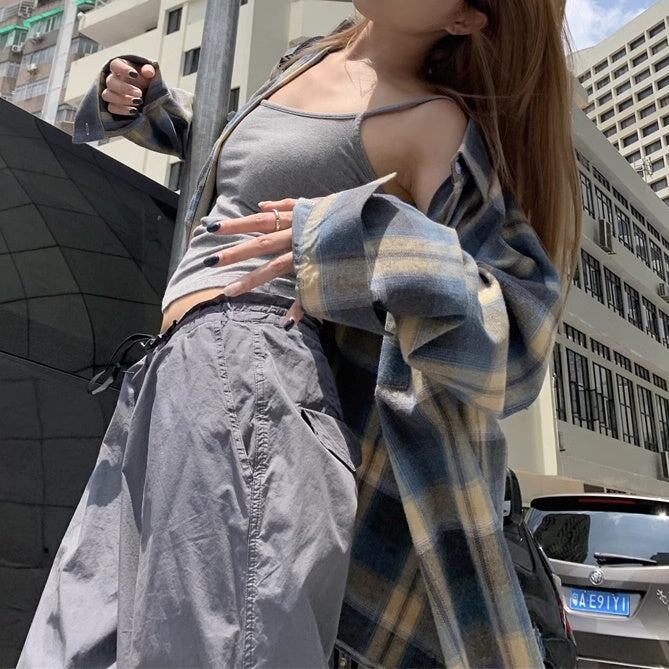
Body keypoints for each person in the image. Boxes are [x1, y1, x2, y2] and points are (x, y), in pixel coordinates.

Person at [18, 1, 581, 667]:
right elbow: (257, 185)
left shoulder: (435, 123)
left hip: (258, 377)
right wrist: (149, 107)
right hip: (167, 375)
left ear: (463, 20)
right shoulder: (307, 60)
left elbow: (516, 336)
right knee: (72, 646)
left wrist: (357, 240)